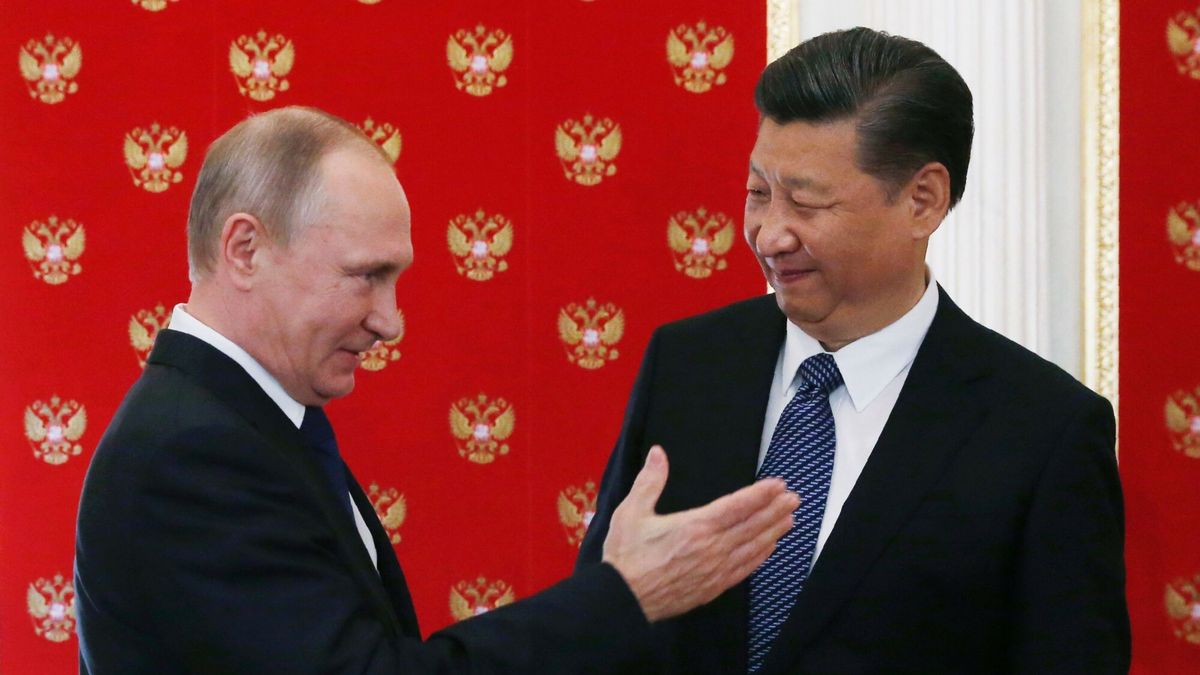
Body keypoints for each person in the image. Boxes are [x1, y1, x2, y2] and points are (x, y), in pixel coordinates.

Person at [74, 106, 800, 674]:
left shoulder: (238, 421)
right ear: (245, 249)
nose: (390, 321)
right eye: (367, 274)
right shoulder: (192, 454)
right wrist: (624, 593)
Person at [578, 27, 1129, 674]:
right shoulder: (690, 363)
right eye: (758, 193)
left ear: (922, 199)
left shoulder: (1042, 430)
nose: (769, 233)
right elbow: (597, 618)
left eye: (807, 200)